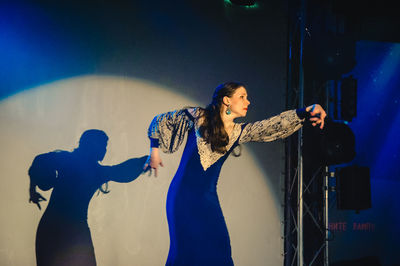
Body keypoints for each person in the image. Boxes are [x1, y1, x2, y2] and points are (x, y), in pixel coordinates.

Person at [143, 82, 326, 265]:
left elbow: (272, 126)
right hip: (182, 197)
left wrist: (306, 111)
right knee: (184, 252)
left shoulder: (239, 132)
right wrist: (154, 151)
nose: (248, 101)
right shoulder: (198, 116)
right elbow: (160, 121)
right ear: (226, 100)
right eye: (242, 96)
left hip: (207, 201)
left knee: (220, 251)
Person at [28, 129, 147, 266]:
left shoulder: (69, 160)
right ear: (92, 145)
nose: (105, 149)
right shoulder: (92, 170)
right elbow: (121, 172)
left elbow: (39, 161)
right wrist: (145, 160)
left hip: (57, 228)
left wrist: (32, 189)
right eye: (103, 145)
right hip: (68, 231)